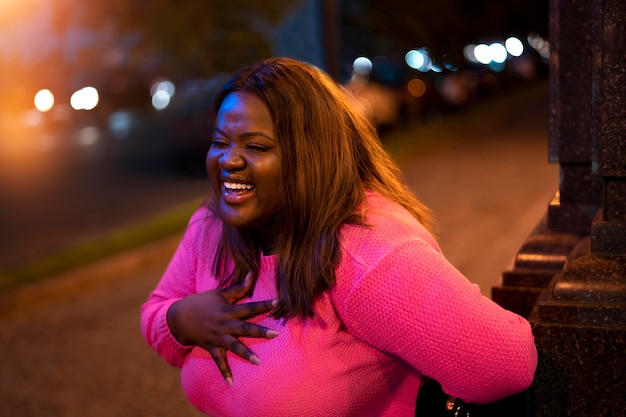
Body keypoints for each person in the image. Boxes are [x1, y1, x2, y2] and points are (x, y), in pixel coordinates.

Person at [140, 57, 537, 417]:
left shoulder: (366, 253)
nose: (228, 160)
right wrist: (180, 319)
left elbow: (505, 366)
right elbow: (155, 312)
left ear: (311, 154)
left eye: (255, 146)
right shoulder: (211, 227)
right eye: (220, 142)